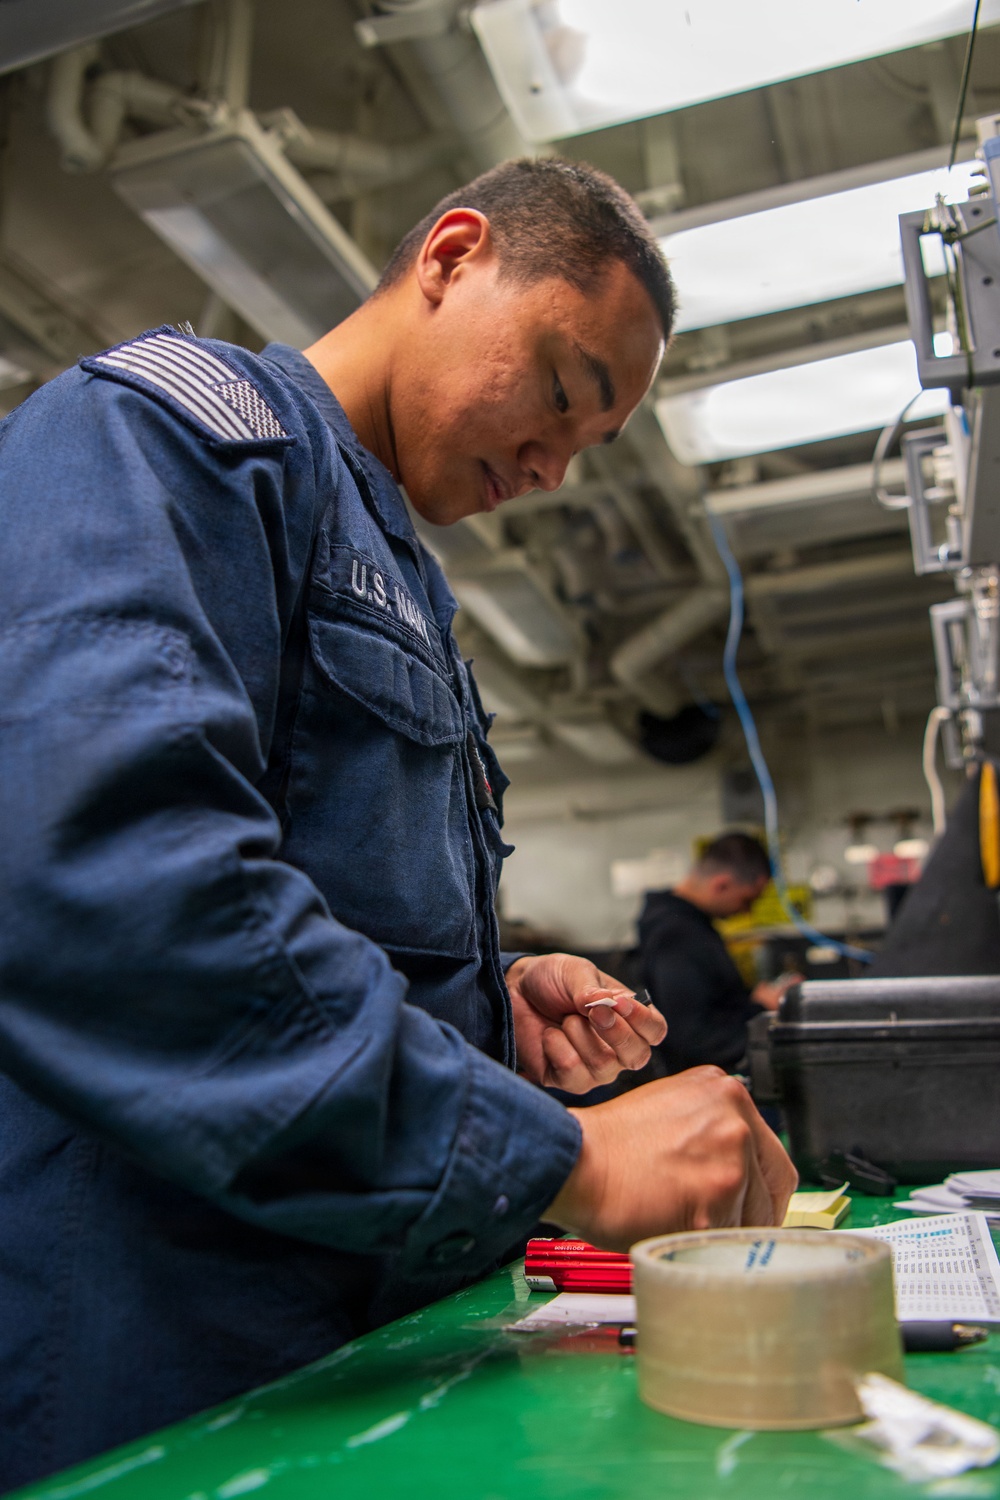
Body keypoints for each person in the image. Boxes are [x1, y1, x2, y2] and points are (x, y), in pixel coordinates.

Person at [0, 159, 796, 1491]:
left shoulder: (405, 583)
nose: (550, 470)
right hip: (165, 1362)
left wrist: (483, 1003)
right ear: (451, 256)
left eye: (589, 451)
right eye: (560, 394)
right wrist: (569, 1160)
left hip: (357, 1342)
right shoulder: (172, 438)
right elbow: (106, 884)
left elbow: (316, 907)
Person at [638, 833, 802, 1076]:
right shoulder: (678, 934)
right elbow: (694, 1036)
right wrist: (761, 1008)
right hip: (700, 1085)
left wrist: (752, 999)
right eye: (747, 900)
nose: (746, 912)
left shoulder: (687, 924)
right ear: (722, 884)